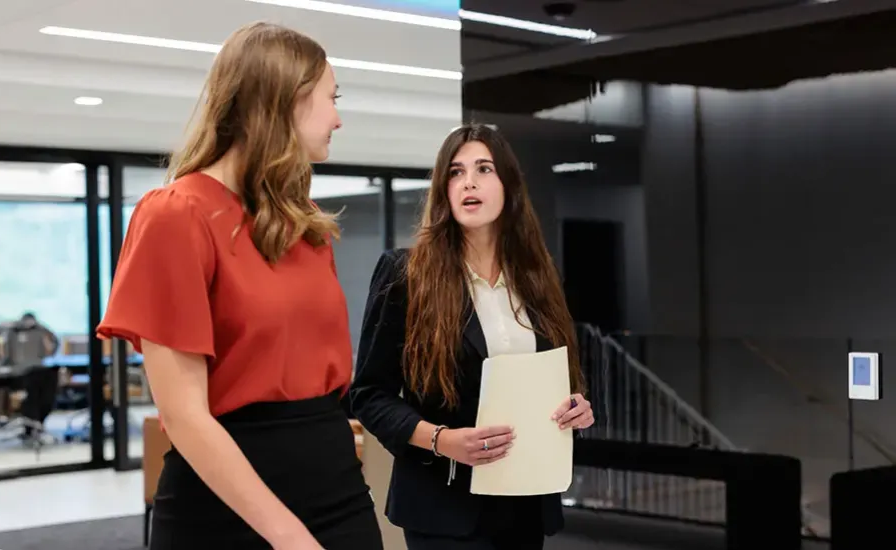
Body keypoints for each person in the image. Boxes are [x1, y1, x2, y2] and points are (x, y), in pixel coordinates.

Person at [96, 22, 382, 550]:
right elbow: (182, 415)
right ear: (286, 99)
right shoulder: (177, 215)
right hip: (225, 506)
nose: (338, 118)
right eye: (330, 98)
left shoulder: (306, 222)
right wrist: (287, 535)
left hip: (337, 489)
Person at [350, 123, 595, 550]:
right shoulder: (406, 275)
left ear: (509, 186)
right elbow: (369, 395)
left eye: (484, 169)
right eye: (456, 172)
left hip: (524, 500)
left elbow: (559, 377)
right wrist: (442, 440)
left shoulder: (537, 279)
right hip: (444, 508)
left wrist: (577, 409)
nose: (469, 182)